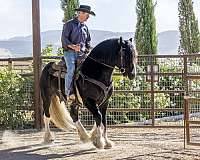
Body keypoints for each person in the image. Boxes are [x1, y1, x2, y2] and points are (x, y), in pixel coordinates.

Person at [61, 5, 95, 99]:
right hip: (70, 52)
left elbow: (88, 41)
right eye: (86, 14)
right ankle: (68, 92)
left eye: (88, 15)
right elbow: (64, 39)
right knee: (71, 69)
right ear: (79, 13)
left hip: (82, 54)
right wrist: (73, 46)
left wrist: (88, 49)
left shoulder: (85, 28)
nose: (88, 17)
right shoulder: (69, 24)